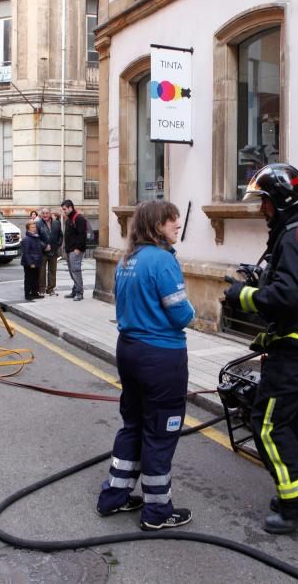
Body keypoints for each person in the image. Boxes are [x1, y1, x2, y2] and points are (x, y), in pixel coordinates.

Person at [222, 163, 298, 535]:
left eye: (265, 203)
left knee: (269, 425)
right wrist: (264, 280)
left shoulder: (293, 238)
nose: (262, 210)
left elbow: (289, 297)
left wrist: (243, 295)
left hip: (296, 352)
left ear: (280, 201)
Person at [96, 200, 195, 531]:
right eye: (171, 221)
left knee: (133, 423)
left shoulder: (129, 260)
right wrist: (192, 313)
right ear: (156, 226)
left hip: (130, 350)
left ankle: (115, 495)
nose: (177, 225)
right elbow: (181, 313)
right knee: (161, 430)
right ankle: (157, 511)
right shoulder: (162, 261)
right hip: (161, 356)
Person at [61, 199, 88, 301]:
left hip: (75, 250)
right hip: (70, 249)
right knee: (72, 271)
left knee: (76, 271)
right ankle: (75, 289)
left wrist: (78, 249)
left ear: (70, 208)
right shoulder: (69, 219)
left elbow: (82, 235)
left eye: (65, 209)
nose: (63, 211)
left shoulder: (78, 218)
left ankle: (79, 293)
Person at [36, 208, 63, 296]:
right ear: (41, 214)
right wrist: (44, 246)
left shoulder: (56, 223)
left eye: (47, 213)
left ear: (50, 214)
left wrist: (56, 245)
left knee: (52, 271)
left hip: (53, 251)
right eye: (43, 213)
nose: (45, 215)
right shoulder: (38, 224)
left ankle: (50, 289)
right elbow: (36, 238)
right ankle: (41, 289)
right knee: (41, 271)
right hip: (42, 252)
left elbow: (60, 236)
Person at [21, 221, 45, 300]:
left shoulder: (36, 237)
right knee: (29, 279)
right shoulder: (27, 239)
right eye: (32, 227)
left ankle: (35, 293)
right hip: (30, 263)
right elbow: (26, 253)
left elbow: (39, 248)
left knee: (35, 278)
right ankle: (27, 295)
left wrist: (44, 246)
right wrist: (30, 263)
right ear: (28, 229)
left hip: (37, 262)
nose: (34, 229)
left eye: (35, 227)